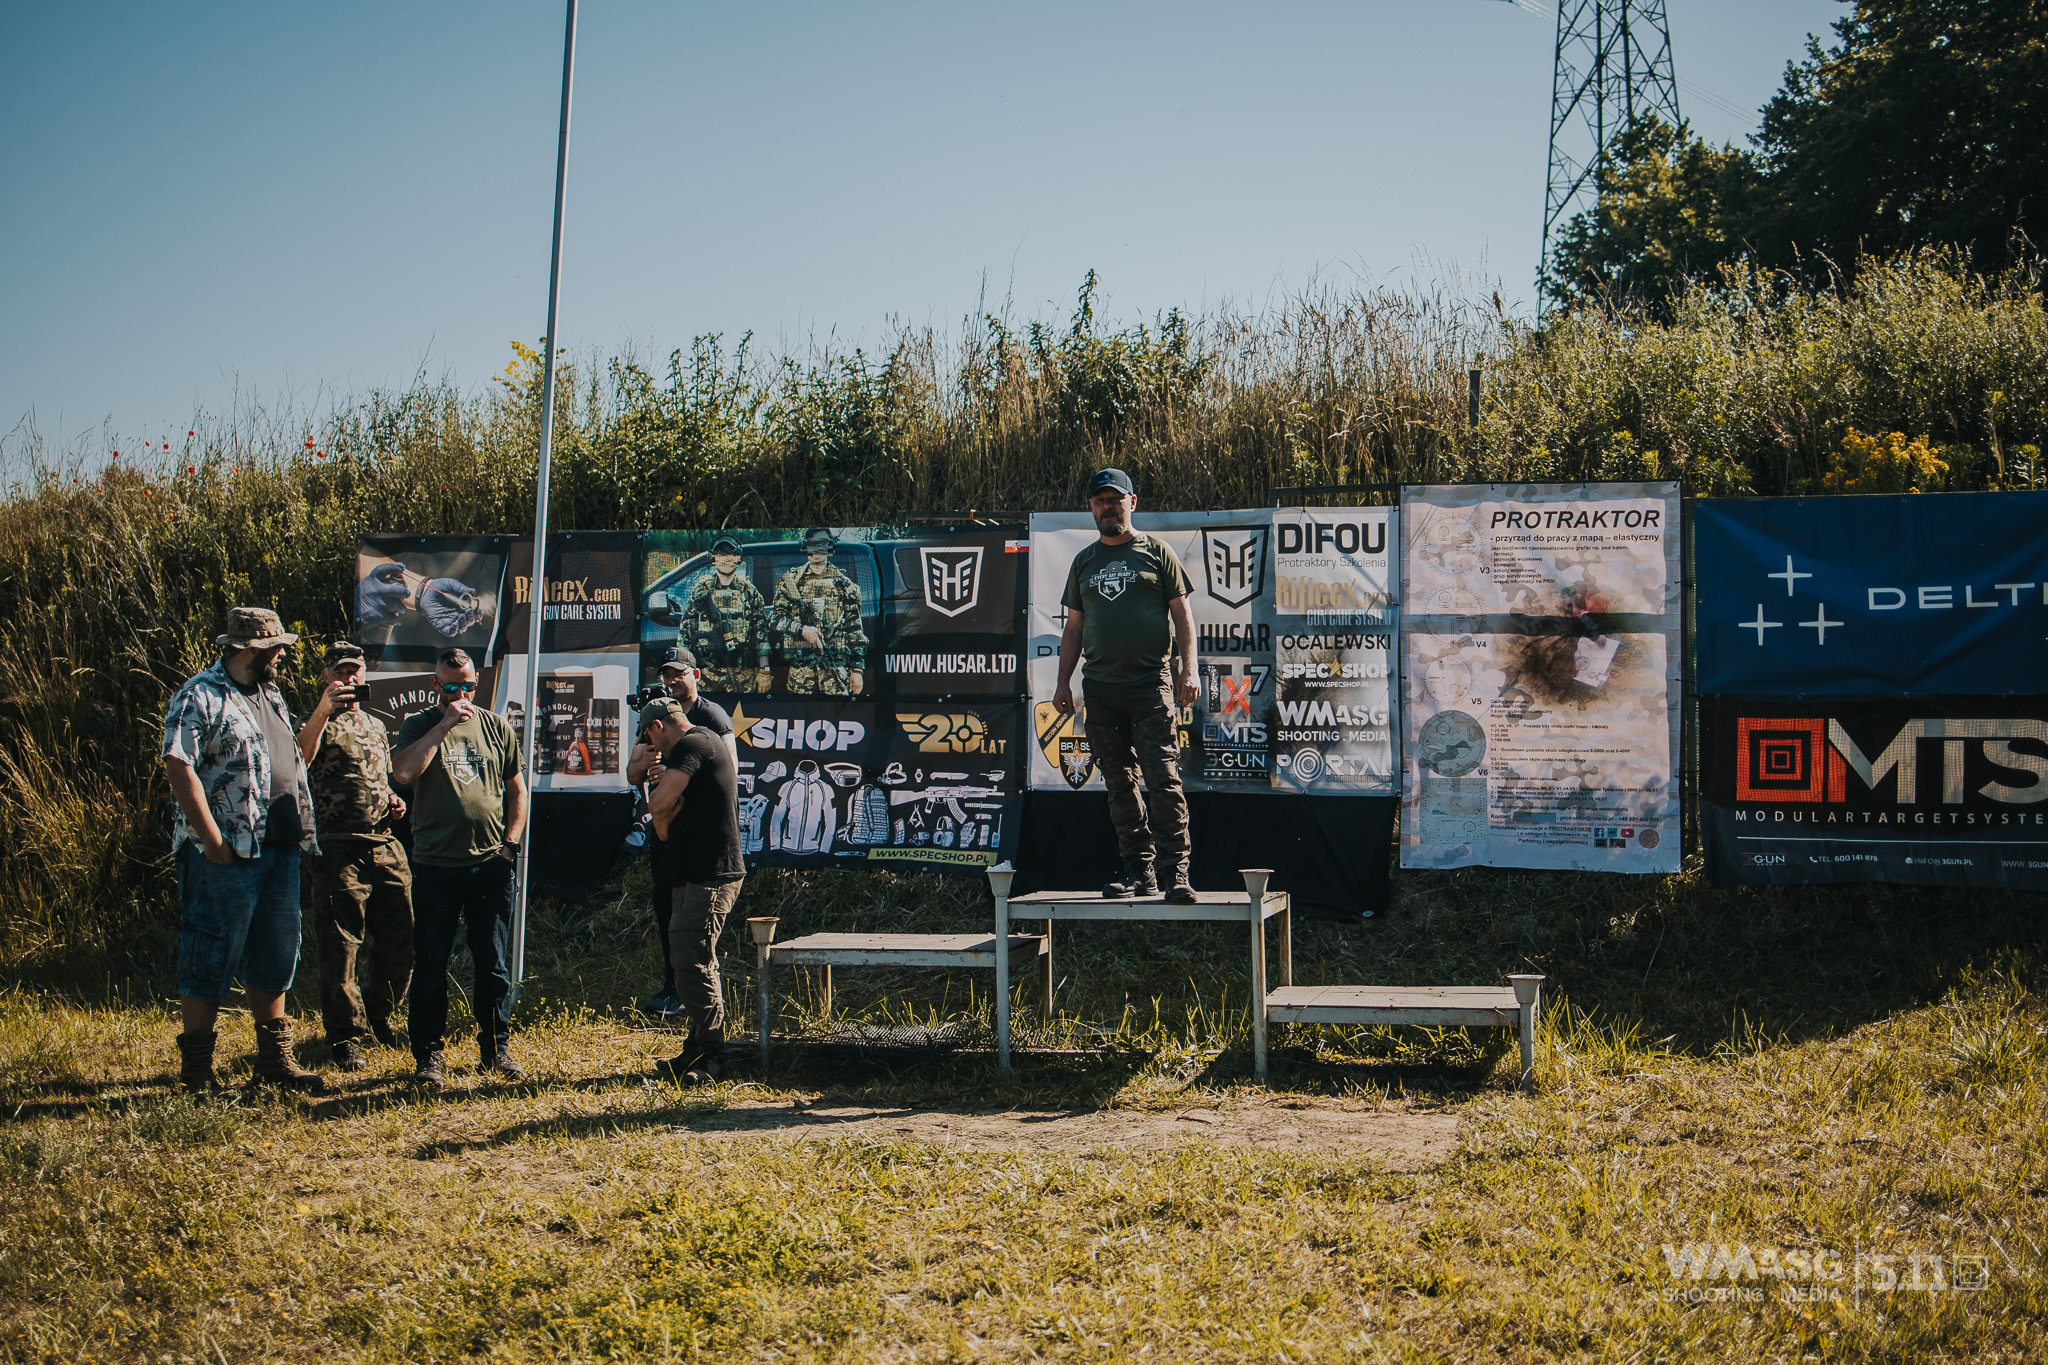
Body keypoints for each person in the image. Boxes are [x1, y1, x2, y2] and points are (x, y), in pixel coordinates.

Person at [160, 606, 326, 1093]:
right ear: (245, 649)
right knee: (210, 953)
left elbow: (291, 758)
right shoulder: (200, 695)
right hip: (226, 851)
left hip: (278, 846)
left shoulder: (270, 693)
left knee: (276, 953)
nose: (282, 656)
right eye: (275, 649)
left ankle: (274, 1062)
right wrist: (211, 840)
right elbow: (178, 763)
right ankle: (196, 1072)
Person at [1052, 468, 1200, 902]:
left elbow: (1183, 616)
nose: (1107, 507)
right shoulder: (1083, 561)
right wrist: (1062, 683)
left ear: (1132, 503)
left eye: (1115, 499)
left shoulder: (1157, 552)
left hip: (1149, 687)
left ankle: (1178, 876)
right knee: (1119, 784)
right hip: (1100, 690)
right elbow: (1073, 628)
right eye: (1100, 500)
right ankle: (1140, 874)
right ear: (1091, 508)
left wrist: (1188, 670)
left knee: (1164, 779)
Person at [390, 648, 528, 1088]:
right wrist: (446, 722)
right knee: (431, 963)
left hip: (490, 863)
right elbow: (404, 773)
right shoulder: (419, 725)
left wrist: (510, 846)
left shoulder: (497, 726)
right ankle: (429, 1055)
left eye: (468, 685)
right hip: (435, 867)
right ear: (436, 686)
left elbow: (517, 791)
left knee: (492, 963)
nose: (461, 693)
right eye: (451, 686)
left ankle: (495, 1049)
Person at [295, 641, 414, 1071]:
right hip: (336, 846)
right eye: (341, 672)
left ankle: (381, 1016)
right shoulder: (313, 721)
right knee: (341, 944)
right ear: (327, 676)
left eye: (356, 671)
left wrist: (392, 799)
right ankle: (346, 1036)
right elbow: (298, 763)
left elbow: (379, 777)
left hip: (382, 841)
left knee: (401, 936)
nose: (350, 679)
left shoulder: (376, 725)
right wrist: (322, 711)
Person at [625, 648, 737, 1016]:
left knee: (696, 931)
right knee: (669, 913)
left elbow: (727, 775)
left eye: (679, 673)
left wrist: (673, 784)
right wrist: (650, 772)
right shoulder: (654, 716)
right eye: (666, 675)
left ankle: (704, 1016)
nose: (671, 681)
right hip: (668, 834)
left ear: (696, 675)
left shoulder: (708, 722)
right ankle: (676, 988)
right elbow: (633, 775)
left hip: (700, 835)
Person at [641, 697, 746, 1085]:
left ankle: (714, 1054)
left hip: (711, 874)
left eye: (653, 741)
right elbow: (664, 827)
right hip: (693, 872)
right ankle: (698, 1047)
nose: (656, 751)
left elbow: (659, 804)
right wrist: (663, 811)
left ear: (658, 726)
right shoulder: (694, 748)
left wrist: (661, 802)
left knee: (694, 961)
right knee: (689, 960)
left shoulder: (694, 742)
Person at [769, 527, 867, 695]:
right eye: (811, 545)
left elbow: (855, 630)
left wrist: (857, 670)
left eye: (821, 544)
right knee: (799, 718)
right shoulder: (793, 581)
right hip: (801, 671)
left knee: (835, 718)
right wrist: (802, 629)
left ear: (830, 548)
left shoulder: (844, 585)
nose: (816, 550)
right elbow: (774, 618)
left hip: (834, 670)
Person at [680, 536, 771, 694]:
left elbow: (761, 634)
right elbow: (685, 635)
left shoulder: (749, 592)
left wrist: (765, 670)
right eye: (721, 555)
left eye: (730, 554)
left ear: (738, 558)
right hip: (706, 678)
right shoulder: (701, 591)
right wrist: (684, 672)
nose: (725, 559)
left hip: (742, 678)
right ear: (713, 559)